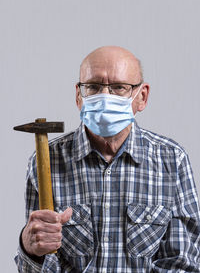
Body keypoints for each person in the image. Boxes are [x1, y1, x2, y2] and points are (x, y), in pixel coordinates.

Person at [15, 46, 200, 272]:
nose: (105, 96)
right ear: (78, 95)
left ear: (141, 97)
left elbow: (182, 263)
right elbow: (37, 266)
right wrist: (30, 248)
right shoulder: (46, 162)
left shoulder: (172, 161)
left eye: (119, 87)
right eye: (93, 86)